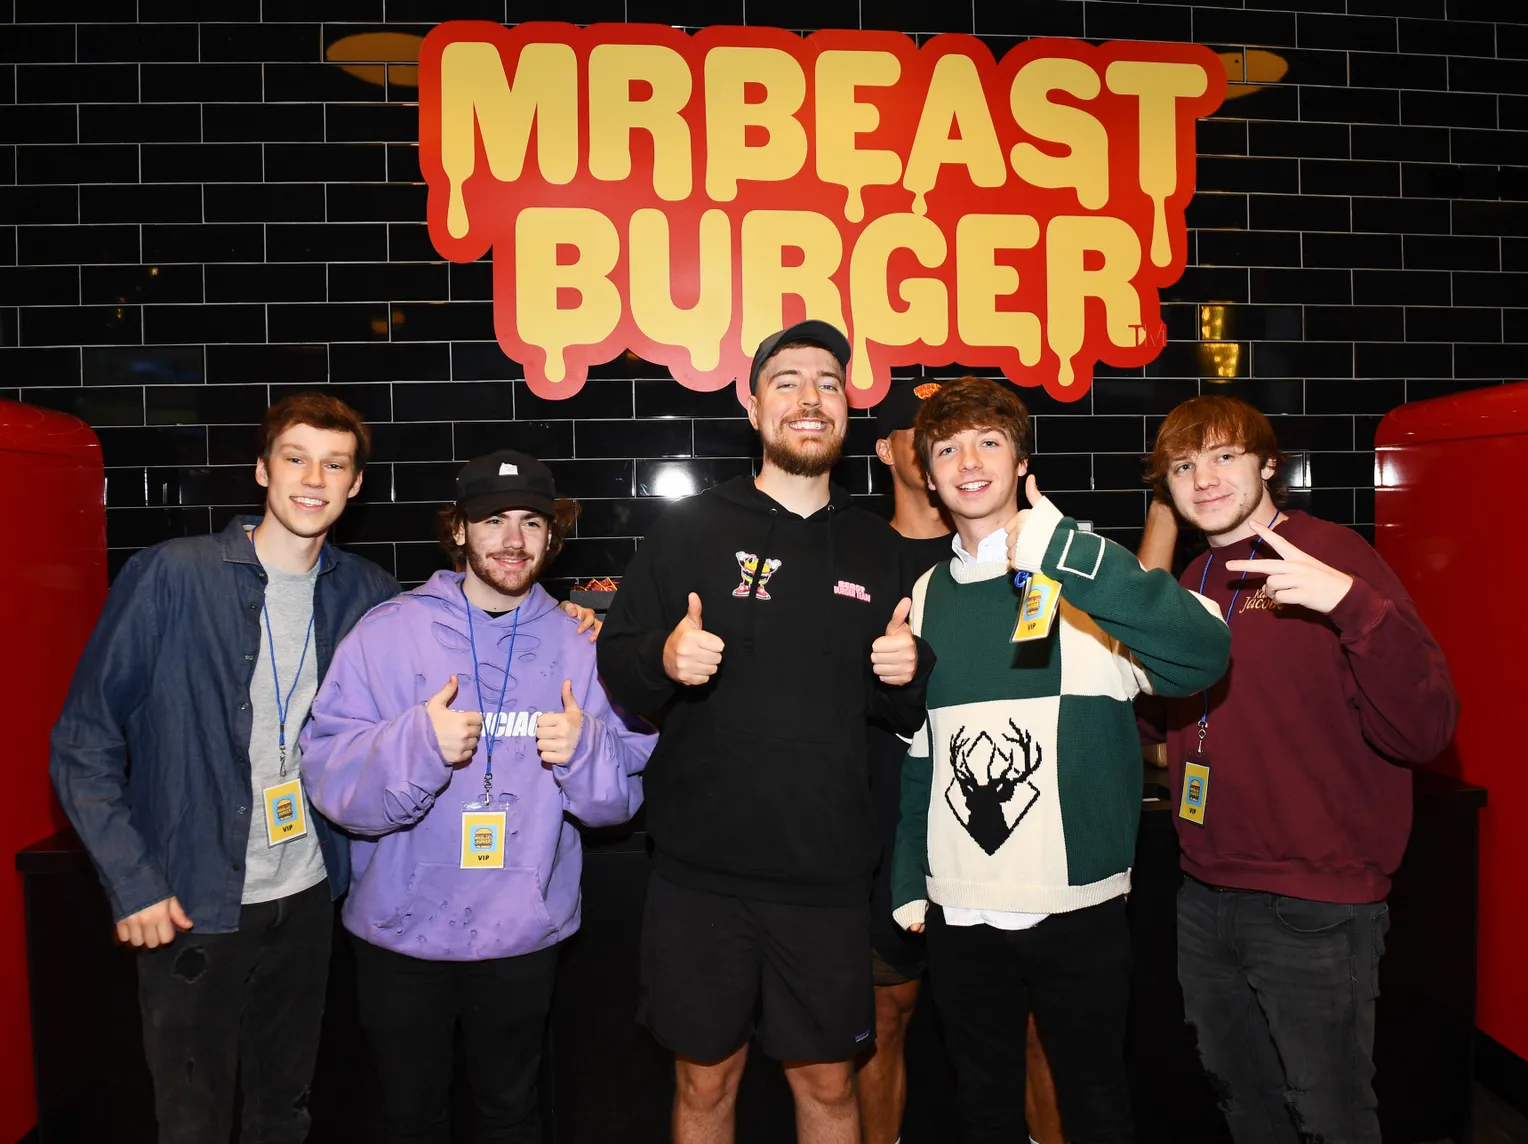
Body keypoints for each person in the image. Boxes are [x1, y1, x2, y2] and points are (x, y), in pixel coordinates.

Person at [597, 320, 932, 1144]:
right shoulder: (688, 529)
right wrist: (664, 659)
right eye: (786, 382)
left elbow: (907, 712)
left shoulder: (876, 546)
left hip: (824, 879)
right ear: (753, 408)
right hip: (697, 877)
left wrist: (909, 674)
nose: (809, 399)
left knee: (828, 1089)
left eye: (827, 382)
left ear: (846, 409)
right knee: (704, 1085)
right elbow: (617, 663)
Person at [49, 393, 402, 1144]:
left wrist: (572, 619)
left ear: (356, 484)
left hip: (308, 896)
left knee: (286, 1109)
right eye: (295, 458)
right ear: (261, 470)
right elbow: (84, 740)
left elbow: (453, 635)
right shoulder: (173, 575)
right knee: (193, 1122)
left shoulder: (366, 593)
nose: (314, 478)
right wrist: (134, 881)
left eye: (334, 464)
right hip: (191, 901)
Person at [891, 377, 1231, 1144]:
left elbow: (1202, 657)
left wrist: (1062, 551)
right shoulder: (926, 590)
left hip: (1076, 906)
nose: (968, 461)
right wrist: (912, 879)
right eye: (947, 448)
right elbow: (926, 755)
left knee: (1096, 1103)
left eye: (988, 442)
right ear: (929, 472)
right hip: (961, 908)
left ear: (1020, 461)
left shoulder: (1086, 568)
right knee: (985, 1107)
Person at [299, 450, 655, 1142]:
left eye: (531, 522)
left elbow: (621, 800)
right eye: (492, 521)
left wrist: (583, 751)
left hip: (520, 934)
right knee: (408, 1117)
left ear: (553, 536)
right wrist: (419, 744)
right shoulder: (386, 633)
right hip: (398, 934)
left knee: (510, 1115)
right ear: (459, 530)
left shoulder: (586, 645)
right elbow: (328, 776)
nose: (513, 540)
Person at [1138, 395, 1458, 1144]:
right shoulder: (1195, 577)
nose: (1204, 479)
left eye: (1224, 457)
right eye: (1184, 465)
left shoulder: (1332, 554)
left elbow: (1428, 726)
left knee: (1331, 1117)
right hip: (1206, 890)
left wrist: (1352, 607)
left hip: (1313, 904)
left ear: (1268, 465)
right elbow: (1166, 718)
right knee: (1242, 1103)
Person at [859, 380, 1065, 1144]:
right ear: (892, 449)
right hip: (888, 827)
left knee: (1035, 1028)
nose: (955, 451)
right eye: (934, 435)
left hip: (998, 833)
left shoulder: (1025, 552)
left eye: (979, 436)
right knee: (883, 1019)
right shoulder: (858, 550)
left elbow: (1040, 665)